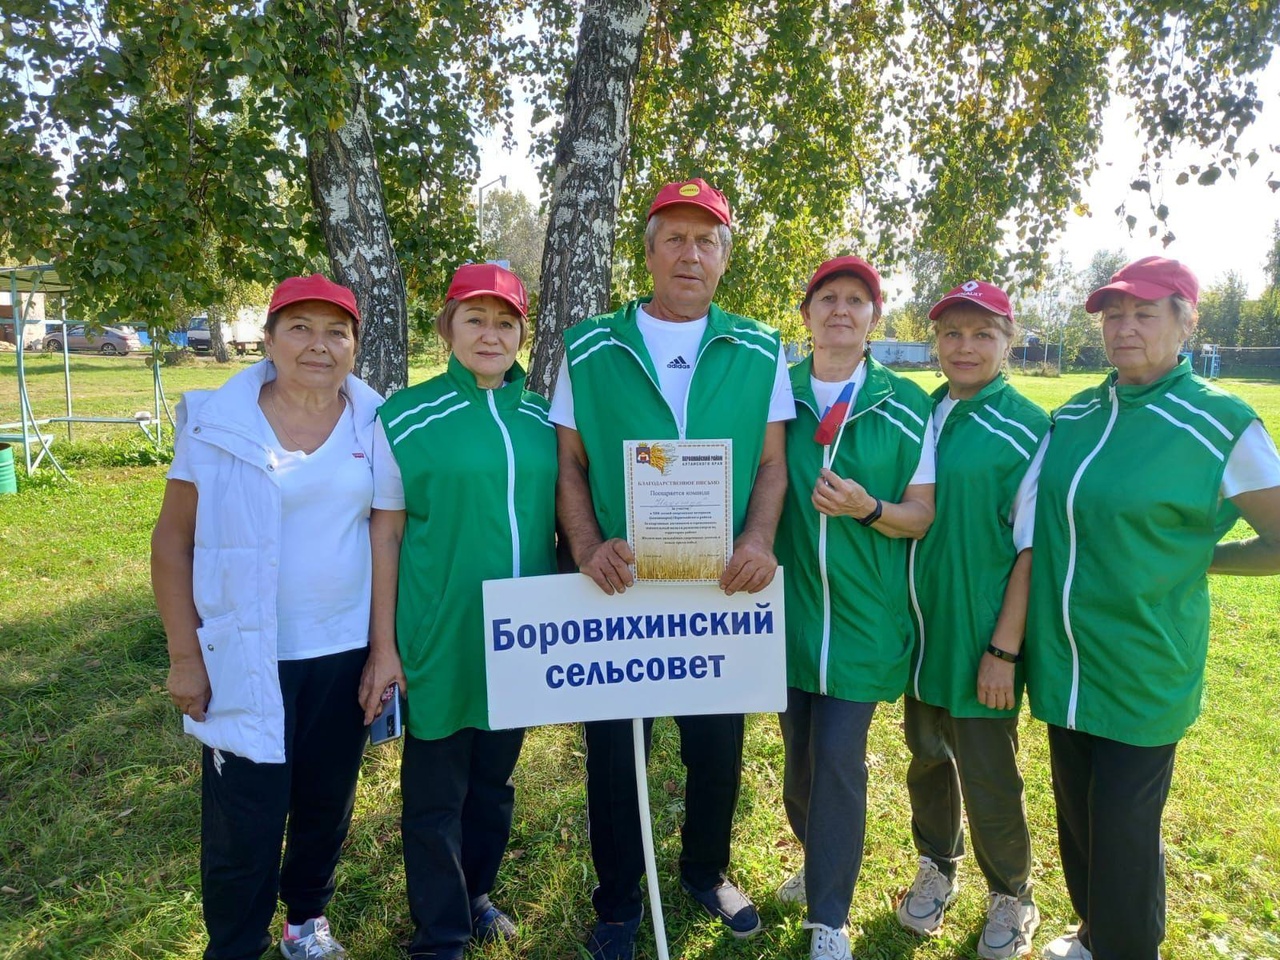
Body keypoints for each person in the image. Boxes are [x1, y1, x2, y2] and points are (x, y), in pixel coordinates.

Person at [549, 178, 794, 960]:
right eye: (676, 238)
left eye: (708, 240)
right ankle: (619, 900)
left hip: (719, 594)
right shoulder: (589, 347)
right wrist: (587, 548)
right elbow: (569, 468)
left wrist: (757, 540)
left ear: (724, 257)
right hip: (620, 591)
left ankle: (703, 869)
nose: (692, 253)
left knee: (717, 748)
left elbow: (773, 468)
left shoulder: (761, 349)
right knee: (617, 755)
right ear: (649, 251)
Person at [1023, 257, 1280, 960]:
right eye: (1113, 314)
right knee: (1077, 821)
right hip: (1066, 663)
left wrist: (1203, 558)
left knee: (1124, 839)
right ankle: (1093, 933)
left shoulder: (1219, 421)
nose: (1124, 328)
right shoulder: (1074, 414)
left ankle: (1126, 946)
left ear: (1184, 320)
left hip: (1143, 669)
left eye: (1143, 313)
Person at [151, 274, 381, 960]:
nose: (319, 345)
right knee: (243, 820)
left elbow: (386, 533)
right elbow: (172, 541)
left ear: (355, 346)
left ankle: (306, 923)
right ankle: (235, 944)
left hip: (342, 650)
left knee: (325, 803)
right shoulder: (219, 422)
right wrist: (185, 656)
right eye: (300, 328)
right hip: (243, 654)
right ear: (270, 338)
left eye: (336, 331)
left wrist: (383, 648)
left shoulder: (376, 421)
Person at [357, 263, 557, 960]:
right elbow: (385, 531)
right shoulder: (406, 417)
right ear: (446, 327)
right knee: (435, 793)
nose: (490, 333)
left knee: (493, 784)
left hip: (523, 638)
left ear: (522, 334)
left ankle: (475, 895)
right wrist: (384, 648)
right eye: (475, 318)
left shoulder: (544, 418)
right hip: (440, 634)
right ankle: (439, 933)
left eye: (506, 322)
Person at [772, 255, 935, 960]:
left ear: (874, 319)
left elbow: (920, 516)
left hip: (866, 624)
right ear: (806, 314)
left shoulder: (907, 403)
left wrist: (869, 508)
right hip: (784, 620)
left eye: (857, 301)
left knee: (840, 760)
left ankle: (828, 918)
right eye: (827, 298)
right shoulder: (774, 396)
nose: (841, 310)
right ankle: (817, 866)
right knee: (800, 763)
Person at [895, 281, 1048, 958]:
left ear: (1008, 341)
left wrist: (1004, 650)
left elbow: (1033, 547)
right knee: (927, 759)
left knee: (989, 775)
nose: (965, 347)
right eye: (952, 333)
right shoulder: (920, 413)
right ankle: (938, 864)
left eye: (982, 334)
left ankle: (1013, 894)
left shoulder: (1026, 427)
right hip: (919, 636)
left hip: (981, 636)